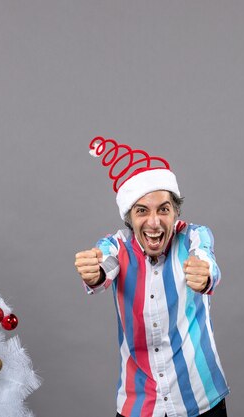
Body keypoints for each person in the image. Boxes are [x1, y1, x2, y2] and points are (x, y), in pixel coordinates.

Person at [74, 137, 229, 417]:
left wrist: (204, 274)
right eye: (142, 211)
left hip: (202, 401)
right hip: (139, 405)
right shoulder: (116, 246)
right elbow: (104, 267)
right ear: (129, 218)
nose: (154, 222)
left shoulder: (194, 236)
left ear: (176, 213)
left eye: (163, 210)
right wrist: (93, 273)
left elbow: (206, 261)